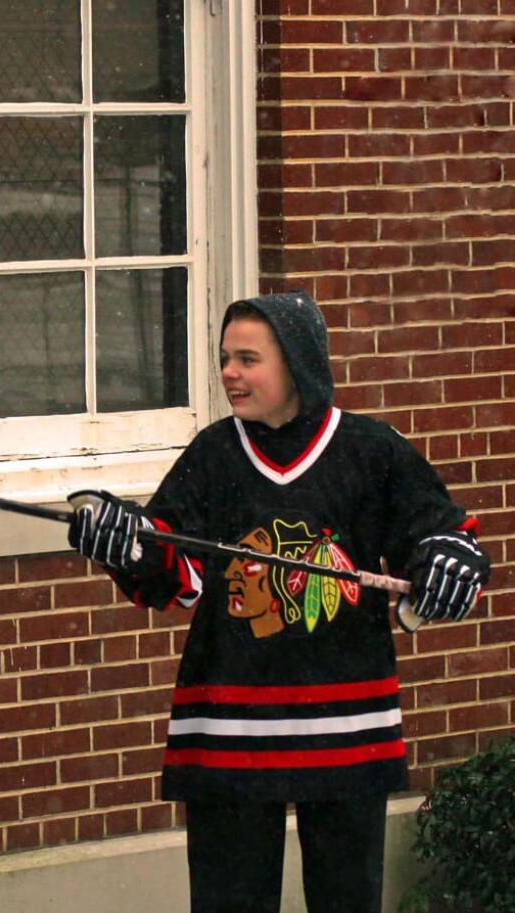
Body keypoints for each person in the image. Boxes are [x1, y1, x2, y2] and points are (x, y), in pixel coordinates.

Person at [68, 291, 489, 913]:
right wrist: (123, 542)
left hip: (348, 727)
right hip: (229, 727)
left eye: (248, 358)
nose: (229, 373)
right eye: (224, 358)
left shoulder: (371, 450)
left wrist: (451, 557)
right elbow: (171, 572)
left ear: (297, 363)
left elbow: (437, 533)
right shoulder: (214, 455)